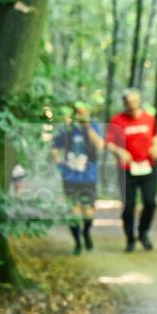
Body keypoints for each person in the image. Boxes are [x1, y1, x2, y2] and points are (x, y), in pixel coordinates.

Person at [106, 90, 157, 252]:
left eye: (135, 102)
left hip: (147, 167)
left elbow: (155, 137)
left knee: (150, 202)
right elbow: (109, 143)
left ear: (139, 101)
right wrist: (119, 151)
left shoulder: (149, 118)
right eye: (129, 103)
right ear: (124, 104)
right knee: (129, 206)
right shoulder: (117, 120)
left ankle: (143, 232)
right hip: (126, 169)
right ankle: (130, 238)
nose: (132, 105)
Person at [51, 102, 104, 254]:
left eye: (83, 112)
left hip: (89, 177)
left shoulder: (93, 126)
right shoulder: (67, 129)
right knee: (73, 211)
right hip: (70, 177)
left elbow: (100, 145)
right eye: (78, 112)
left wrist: (87, 127)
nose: (80, 115)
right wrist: (59, 165)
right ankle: (77, 243)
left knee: (88, 212)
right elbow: (55, 148)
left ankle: (86, 232)